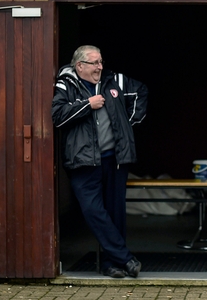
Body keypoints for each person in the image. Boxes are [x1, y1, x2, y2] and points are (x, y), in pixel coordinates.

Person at [52, 45, 148, 278]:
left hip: (114, 160)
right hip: (83, 162)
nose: (100, 67)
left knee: (115, 213)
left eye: (101, 62)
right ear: (80, 66)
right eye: (95, 63)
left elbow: (141, 91)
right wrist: (87, 105)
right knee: (93, 210)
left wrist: (127, 125)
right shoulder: (66, 83)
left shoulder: (115, 80)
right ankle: (125, 257)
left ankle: (110, 264)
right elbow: (57, 116)